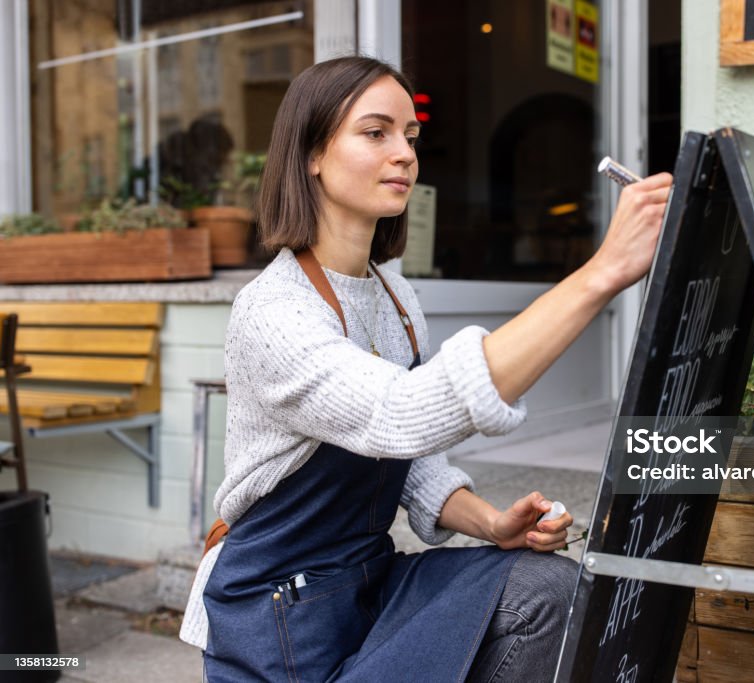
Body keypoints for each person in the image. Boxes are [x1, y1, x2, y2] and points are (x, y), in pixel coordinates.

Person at [179, 55, 672, 682]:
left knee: (548, 590)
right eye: (375, 132)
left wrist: (492, 523)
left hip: (366, 582)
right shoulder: (273, 312)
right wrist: (602, 274)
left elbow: (409, 465)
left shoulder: (394, 297)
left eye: (410, 137)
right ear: (311, 154)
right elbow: (400, 417)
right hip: (278, 615)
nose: (405, 154)